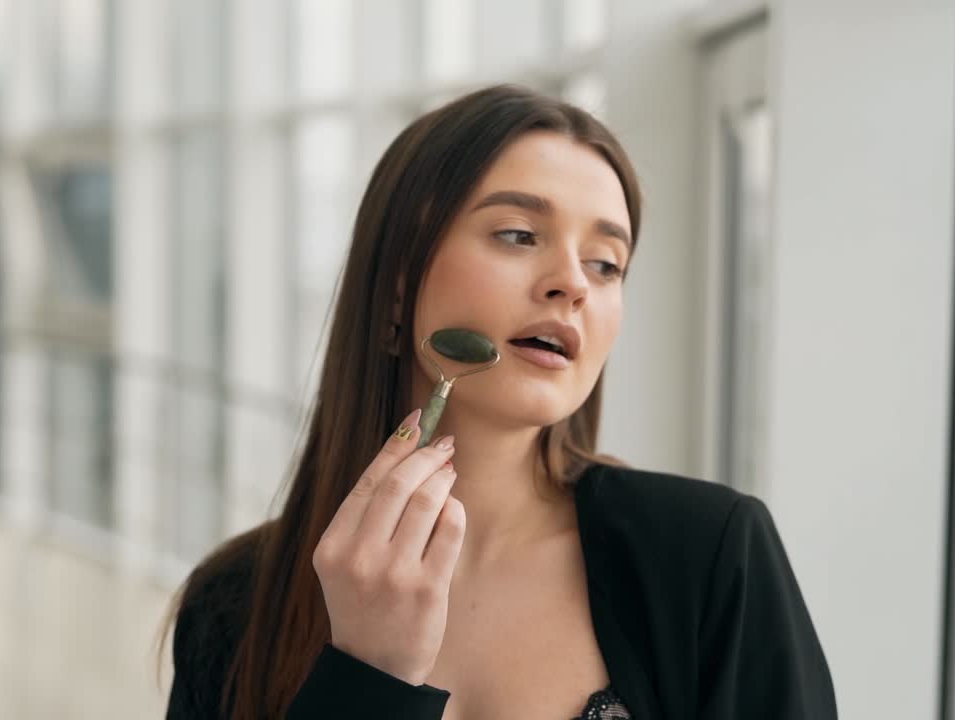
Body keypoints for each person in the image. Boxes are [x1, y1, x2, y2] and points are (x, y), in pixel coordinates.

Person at [162, 84, 836, 720]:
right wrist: (367, 674)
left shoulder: (707, 556)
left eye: (606, 263)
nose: (572, 283)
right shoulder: (235, 603)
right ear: (397, 285)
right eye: (518, 234)